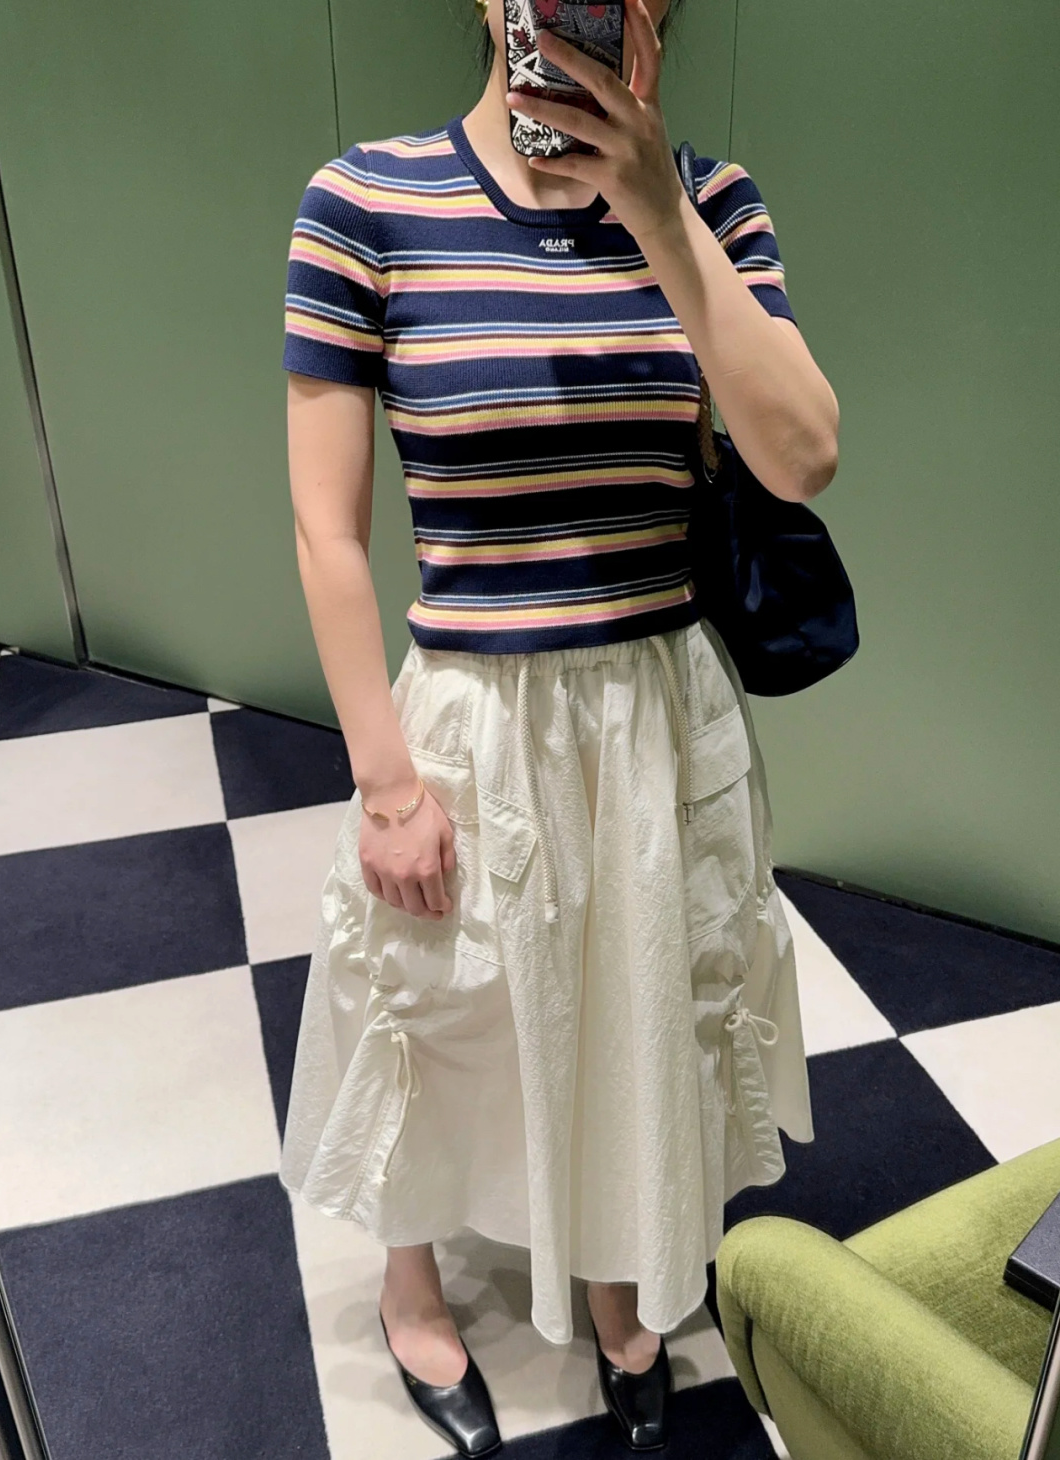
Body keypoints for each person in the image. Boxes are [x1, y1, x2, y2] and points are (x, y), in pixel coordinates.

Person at [279, 0, 835, 1452]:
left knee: (638, 1008)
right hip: (470, 710)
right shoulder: (366, 203)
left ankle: (612, 1275)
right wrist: (383, 781)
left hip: (657, 711)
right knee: (438, 1006)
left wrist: (657, 210)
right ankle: (411, 1283)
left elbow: (803, 454)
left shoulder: (711, 203)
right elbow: (327, 531)